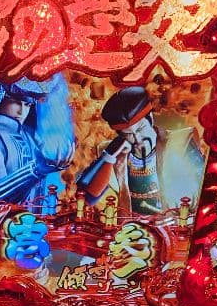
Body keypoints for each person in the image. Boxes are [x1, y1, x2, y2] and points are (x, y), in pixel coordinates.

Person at [77, 85, 204, 216]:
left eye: (140, 129)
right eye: (128, 134)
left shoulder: (179, 142)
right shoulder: (117, 155)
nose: (137, 138)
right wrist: (109, 156)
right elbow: (86, 198)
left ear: (151, 119)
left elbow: (204, 193)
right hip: (131, 227)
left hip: (176, 223)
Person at [0, 75, 74, 208]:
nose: (21, 111)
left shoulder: (29, 136)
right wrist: (36, 170)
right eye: (15, 101)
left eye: (27, 104)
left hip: (31, 219)